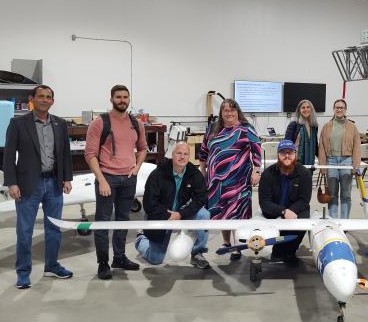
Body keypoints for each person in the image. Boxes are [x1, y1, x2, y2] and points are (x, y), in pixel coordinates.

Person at [3, 85, 73, 289]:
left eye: (48, 97)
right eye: (40, 96)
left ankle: (51, 266)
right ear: (32, 99)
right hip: (27, 184)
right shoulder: (18, 124)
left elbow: (65, 153)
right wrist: (12, 182)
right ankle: (23, 273)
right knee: (25, 231)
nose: (44, 100)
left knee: (54, 229)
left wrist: (67, 178)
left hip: (54, 183)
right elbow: (8, 156)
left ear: (52, 101)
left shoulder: (59, 124)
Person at [85, 84, 147, 280]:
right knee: (102, 222)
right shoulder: (100, 122)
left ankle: (119, 257)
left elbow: (143, 148)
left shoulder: (136, 123)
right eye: (118, 97)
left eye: (125, 97)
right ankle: (103, 263)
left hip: (128, 179)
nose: (122, 100)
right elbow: (90, 154)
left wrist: (136, 168)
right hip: (107, 178)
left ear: (129, 99)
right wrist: (101, 180)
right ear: (111, 99)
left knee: (123, 219)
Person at [199, 98, 261, 260]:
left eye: (232, 110)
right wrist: (203, 170)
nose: (229, 113)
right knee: (221, 212)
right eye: (225, 110)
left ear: (237, 111)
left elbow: (256, 150)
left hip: (238, 180)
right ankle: (226, 242)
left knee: (236, 212)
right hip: (216, 182)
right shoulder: (213, 128)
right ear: (221, 113)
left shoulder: (246, 129)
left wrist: (257, 171)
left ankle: (236, 246)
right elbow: (204, 151)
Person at [134, 142, 210, 269]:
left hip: (181, 213)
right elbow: (149, 203)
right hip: (162, 215)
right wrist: (167, 214)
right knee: (155, 259)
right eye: (179, 153)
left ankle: (198, 253)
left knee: (204, 214)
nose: (182, 157)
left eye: (186, 154)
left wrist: (181, 214)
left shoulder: (194, 174)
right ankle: (141, 238)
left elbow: (200, 198)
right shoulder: (158, 174)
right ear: (172, 155)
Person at [258, 139, 312, 266]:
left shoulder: (304, 173)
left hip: (295, 208)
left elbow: (304, 199)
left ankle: (290, 251)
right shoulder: (267, 174)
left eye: (290, 153)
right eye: (283, 153)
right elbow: (264, 202)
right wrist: (282, 211)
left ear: (295, 155)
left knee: (303, 220)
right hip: (276, 208)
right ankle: (277, 249)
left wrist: (291, 211)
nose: (287, 156)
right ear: (278, 155)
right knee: (270, 222)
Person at [318, 99, 361, 218]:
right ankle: (333, 221)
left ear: (345, 110)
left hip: (346, 161)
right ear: (334, 109)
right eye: (337, 107)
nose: (339, 109)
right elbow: (321, 146)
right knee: (332, 193)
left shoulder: (352, 126)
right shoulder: (326, 126)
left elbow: (357, 147)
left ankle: (344, 222)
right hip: (331, 161)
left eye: (342, 107)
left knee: (346, 194)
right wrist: (323, 166)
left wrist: (355, 165)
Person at [284, 99, 318, 166]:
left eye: (308, 107)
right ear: (299, 110)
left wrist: (323, 158)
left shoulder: (314, 126)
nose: (306, 109)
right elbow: (286, 144)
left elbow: (315, 145)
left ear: (311, 109)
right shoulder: (293, 124)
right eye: (303, 107)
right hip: (296, 161)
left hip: (310, 161)